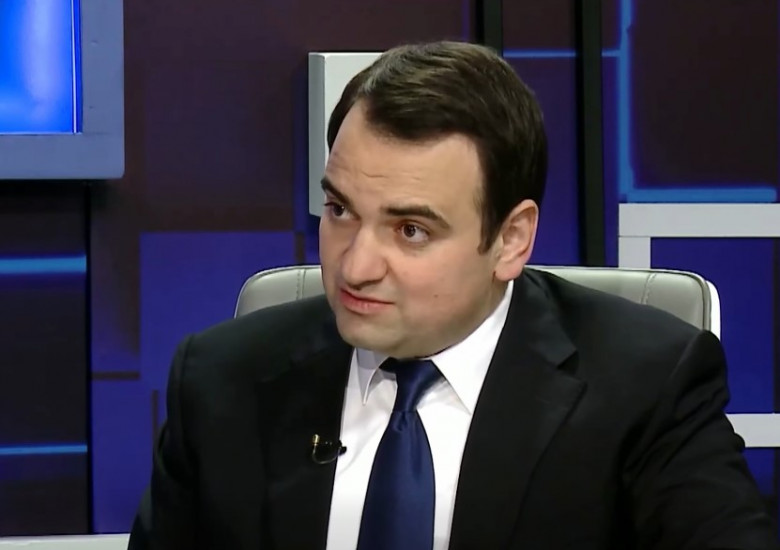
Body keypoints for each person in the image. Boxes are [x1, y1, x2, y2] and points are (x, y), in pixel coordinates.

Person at [128, 40, 778, 550]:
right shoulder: (222, 382)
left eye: (410, 230)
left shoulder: (645, 387)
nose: (355, 265)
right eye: (340, 210)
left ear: (511, 240)